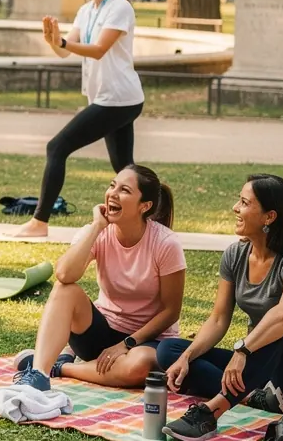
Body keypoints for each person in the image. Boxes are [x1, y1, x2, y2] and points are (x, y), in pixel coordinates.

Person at [159, 175, 283, 441]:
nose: (235, 208)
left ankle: (210, 413)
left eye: (244, 202)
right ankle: (253, 395)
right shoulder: (235, 254)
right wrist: (187, 356)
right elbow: (218, 319)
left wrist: (243, 350)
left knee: (279, 326)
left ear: (269, 217)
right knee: (169, 351)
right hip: (261, 367)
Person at [13, 165, 184, 391]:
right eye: (112, 186)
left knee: (139, 366)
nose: (113, 193)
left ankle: (60, 367)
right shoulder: (97, 232)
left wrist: (126, 344)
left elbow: (171, 311)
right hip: (101, 334)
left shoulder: (165, 243)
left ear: (144, 206)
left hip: (147, 342)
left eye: (124, 190)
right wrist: (96, 227)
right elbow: (64, 274)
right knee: (65, 289)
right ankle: (39, 374)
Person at [15, 0, 144, 238]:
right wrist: (53, 41)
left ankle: (39, 222)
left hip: (118, 98)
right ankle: (151, 219)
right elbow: (64, 51)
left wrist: (62, 42)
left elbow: (98, 50)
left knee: (57, 147)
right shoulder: (86, 11)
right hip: (109, 98)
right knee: (124, 168)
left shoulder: (119, 8)